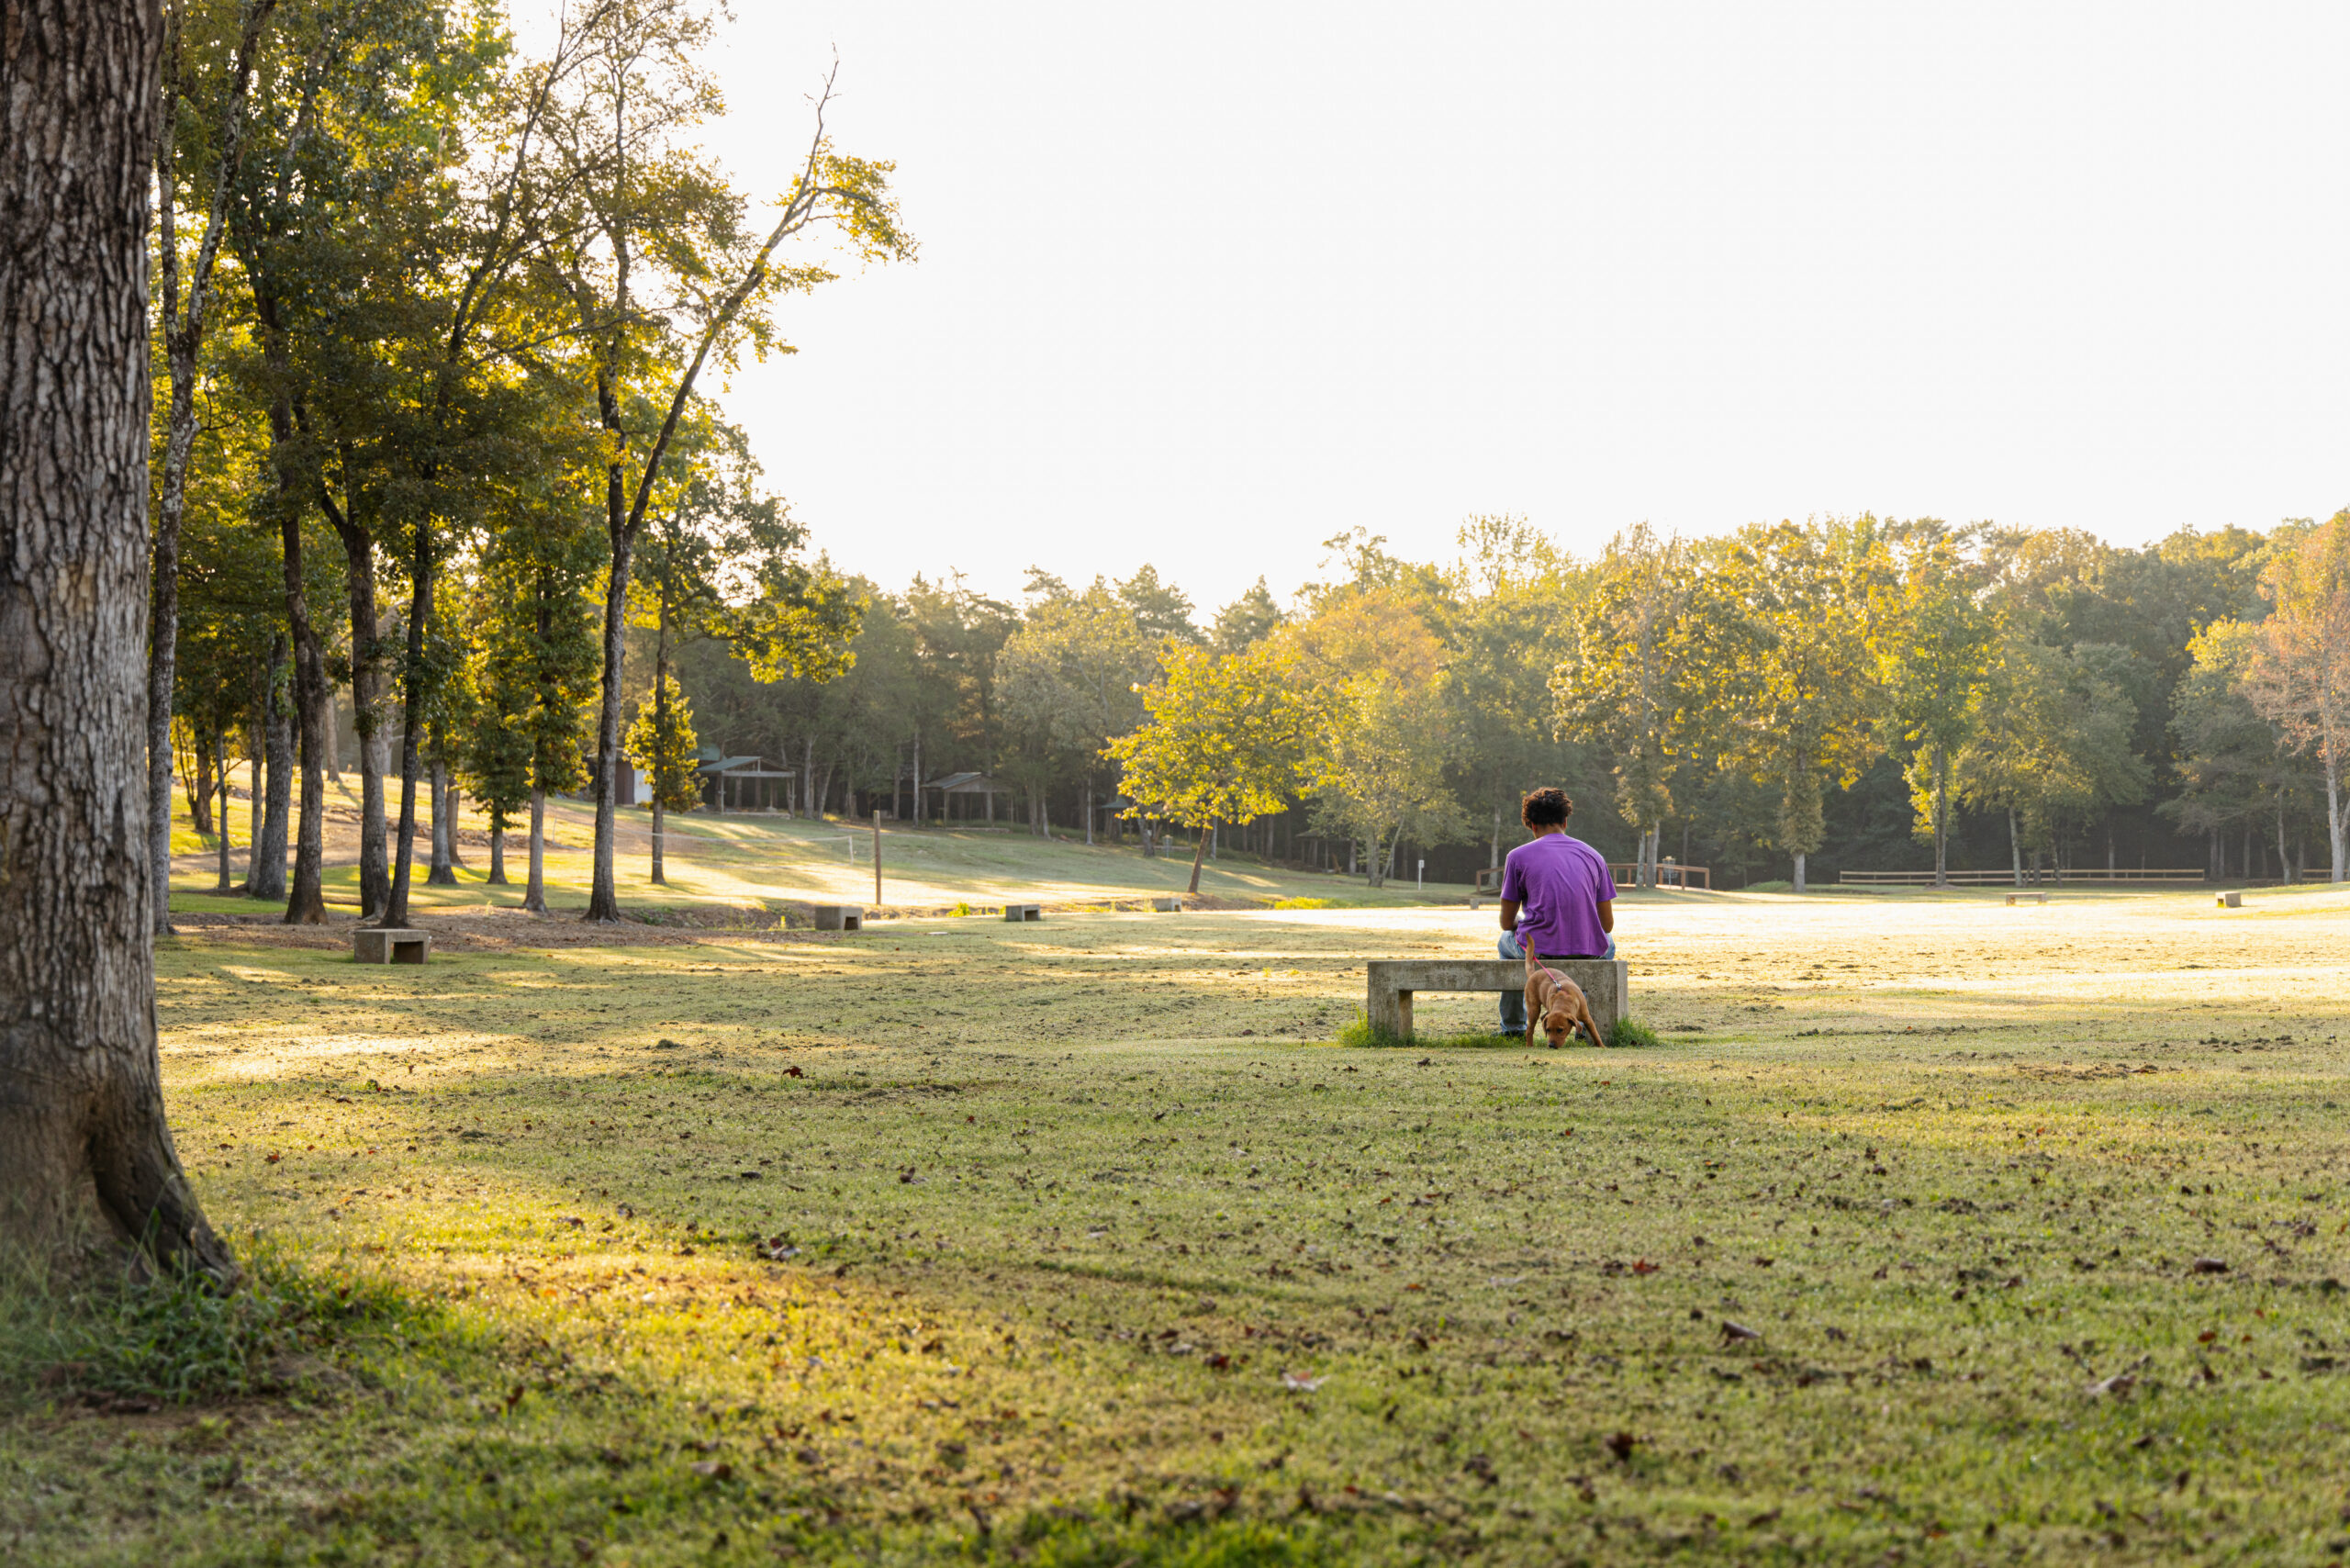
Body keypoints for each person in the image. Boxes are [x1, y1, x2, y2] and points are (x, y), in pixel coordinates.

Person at [1495, 787, 1615, 1036]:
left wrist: (1520, 924)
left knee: (1504, 943)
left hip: (1539, 952)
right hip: (1587, 951)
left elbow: (1507, 922)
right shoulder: (1594, 856)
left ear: (1531, 825)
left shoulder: (1517, 856)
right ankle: (1583, 1027)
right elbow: (1606, 926)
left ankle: (1514, 1027)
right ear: (1565, 821)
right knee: (1609, 944)